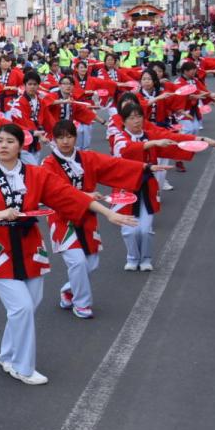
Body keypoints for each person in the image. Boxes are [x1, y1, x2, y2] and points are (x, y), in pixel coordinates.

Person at [0, 124, 137, 385]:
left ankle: (7, 355)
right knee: (21, 307)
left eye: (10, 141)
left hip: (30, 247)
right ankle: (22, 367)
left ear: (20, 146)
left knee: (27, 307)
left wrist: (108, 213)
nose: (4, 146)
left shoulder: (36, 174)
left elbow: (69, 195)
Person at [42, 120, 154, 318]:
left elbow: (114, 164)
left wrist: (145, 167)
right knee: (77, 262)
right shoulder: (48, 164)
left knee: (92, 262)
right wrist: (85, 195)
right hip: (61, 218)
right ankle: (81, 304)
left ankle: (69, 290)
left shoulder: (87, 157)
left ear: (76, 137)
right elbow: (57, 191)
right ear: (54, 140)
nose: (65, 141)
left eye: (69, 136)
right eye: (60, 137)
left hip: (87, 216)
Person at [110, 103, 215, 271]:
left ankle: (146, 258)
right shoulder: (119, 138)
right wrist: (154, 143)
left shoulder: (150, 135)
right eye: (131, 118)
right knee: (129, 230)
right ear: (123, 121)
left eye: (139, 116)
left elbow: (174, 139)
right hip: (125, 188)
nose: (136, 121)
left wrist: (202, 140)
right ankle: (132, 257)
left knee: (145, 229)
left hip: (147, 187)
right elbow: (127, 150)